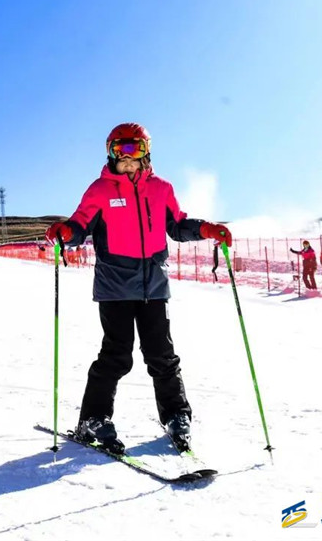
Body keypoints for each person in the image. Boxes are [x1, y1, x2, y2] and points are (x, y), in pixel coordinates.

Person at [45, 122, 231, 454]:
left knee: (162, 354)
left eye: (135, 152)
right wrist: (65, 231)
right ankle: (94, 417)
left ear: (146, 154)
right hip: (115, 285)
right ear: (111, 154)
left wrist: (206, 228)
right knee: (116, 355)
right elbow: (80, 224)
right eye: (121, 153)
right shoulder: (99, 190)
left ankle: (176, 415)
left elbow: (177, 225)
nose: (128, 160)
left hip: (154, 285)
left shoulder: (161, 188)